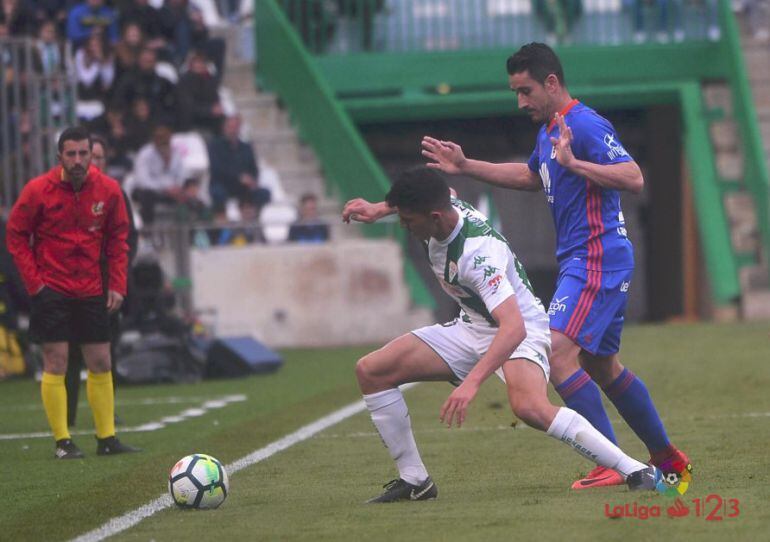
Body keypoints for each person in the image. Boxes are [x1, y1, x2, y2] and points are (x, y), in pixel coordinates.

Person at [421, 42, 689, 489]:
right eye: (515, 92)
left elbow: (634, 177)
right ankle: (669, 459)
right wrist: (466, 165)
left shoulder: (583, 125)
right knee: (603, 367)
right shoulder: (550, 131)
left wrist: (575, 162)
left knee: (558, 352)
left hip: (597, 257)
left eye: (525, 90)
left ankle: (615, 463)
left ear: (551, 82)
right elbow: (531, 176)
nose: (520, 101)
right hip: (582, 259)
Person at [342, 167, 661, 502]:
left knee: (529, 407)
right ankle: (415, 481)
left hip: (520, 328)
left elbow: (513, 327)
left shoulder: (477, 255)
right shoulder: (443, 210)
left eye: (408, 220)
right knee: (371, 370)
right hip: (475, 325)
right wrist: (381, 208)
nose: (406, 227)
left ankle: (635, 470)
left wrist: (472, 382)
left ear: (433, 218)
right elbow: (445, 190)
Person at [6, 126, 140, 459]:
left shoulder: (109, 191)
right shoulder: (38, 190)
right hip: (52, 289)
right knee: (57, 362)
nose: (78, 160)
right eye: (71, 154)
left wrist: (118, 285)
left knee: (101, 360)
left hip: (92, 288)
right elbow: (15, 235)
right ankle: (62, 441)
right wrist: (35, 283)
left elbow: (119, 240)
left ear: (91, 154)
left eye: (84, 153)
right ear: (60, 157)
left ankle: (107, 438)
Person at [65, 136, 138, 428]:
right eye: (85, 155)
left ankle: (106, 416)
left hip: (105, 286)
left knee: (106, 354)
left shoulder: (114, 193)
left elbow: (127, 238)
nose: (90, 162)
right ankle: (66, 417)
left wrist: (117, 282)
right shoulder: (61, 193)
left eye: (96, 156)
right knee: (66, 355)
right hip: (68, 285)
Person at [207, 115, 270, 212]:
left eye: (235, 127)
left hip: (243, 187)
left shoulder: (246, 147)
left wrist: (252, 180)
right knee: (217, 193)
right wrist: (239, 177)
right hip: (224, 184)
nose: (233, 131)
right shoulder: (215, 146)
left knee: (264, 193)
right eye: (230, 127)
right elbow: (217, 169)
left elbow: (254, 168)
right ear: (225, 128)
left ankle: (254, 219)